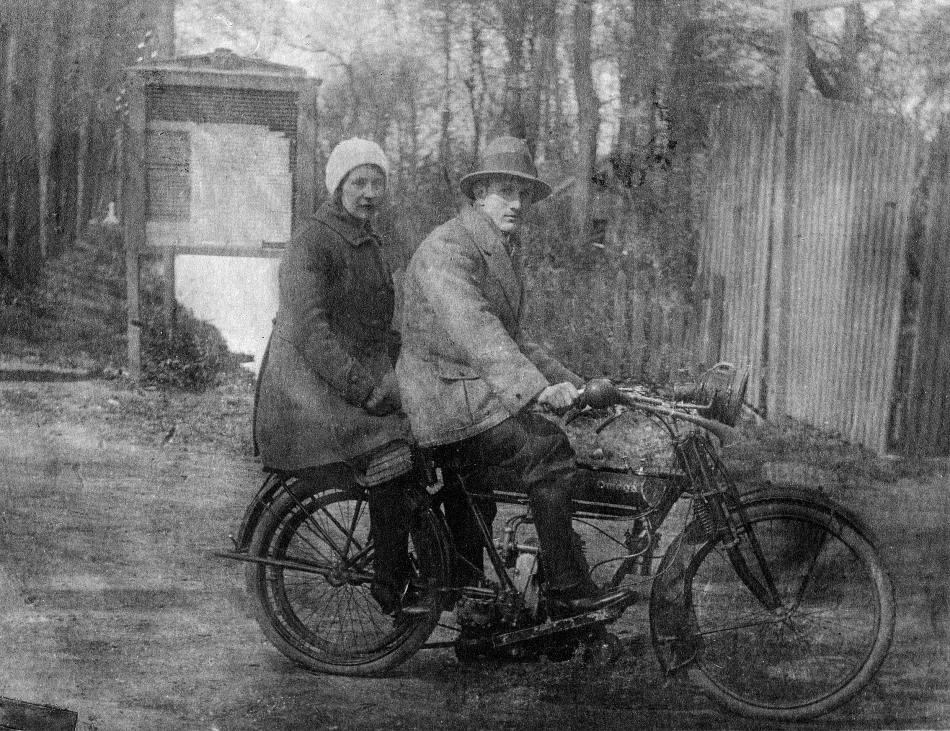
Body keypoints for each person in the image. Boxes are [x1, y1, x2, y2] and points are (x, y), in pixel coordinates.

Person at [396, 136, 631, 617]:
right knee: (546, 450)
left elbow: (517, 339)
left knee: (481, 489)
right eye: (507, 191)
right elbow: (476, 329)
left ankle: (470, 592)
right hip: (440, 397)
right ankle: (570, 592)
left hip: (467, 393)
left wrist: (577, 385)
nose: (518, 204)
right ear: (479, 192)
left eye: (524, 194)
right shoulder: (448, 248)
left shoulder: (494, 249)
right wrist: (539, 391)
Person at [253, 137, 414, 615]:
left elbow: (374, 329)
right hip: (303, 392)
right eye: (358, 181)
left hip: (340, 383)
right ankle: (391, 583)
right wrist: (365, 389)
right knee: (393, 452)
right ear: (338, 185)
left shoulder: (367, 241)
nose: (369, 192)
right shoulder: (313, 242)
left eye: (377, 182)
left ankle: (426, 562)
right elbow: (310, 329)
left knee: (432, 434)